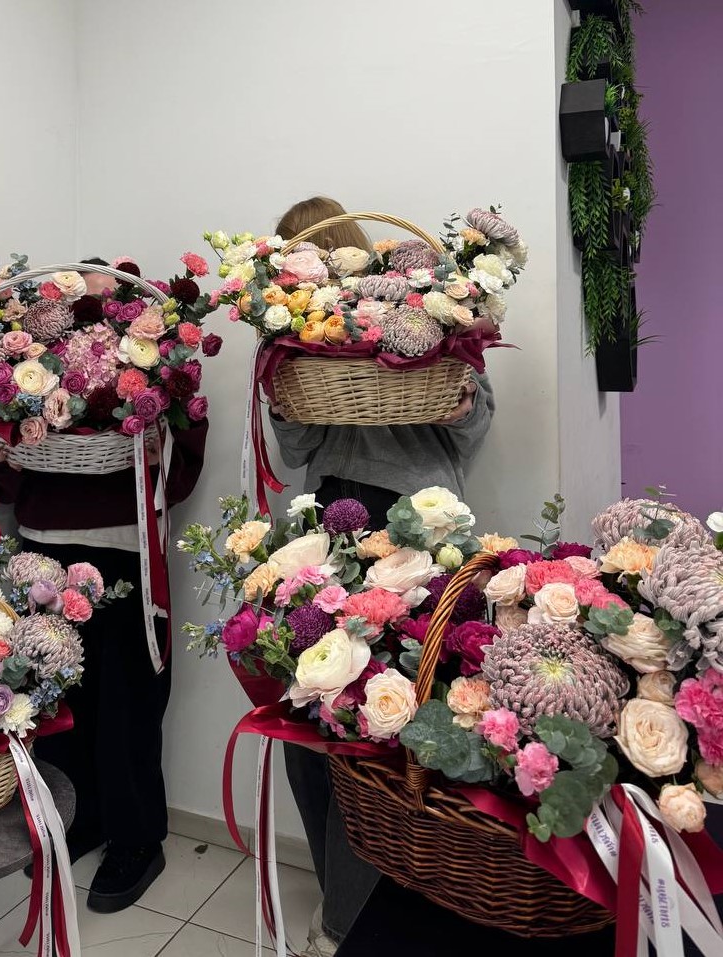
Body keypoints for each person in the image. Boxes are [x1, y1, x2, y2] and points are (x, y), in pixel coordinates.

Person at [269, 197, 495, 956]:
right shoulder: (307, 326)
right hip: (332, 521)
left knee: (376, 723)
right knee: (314, 711)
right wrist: (285, 385)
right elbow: (296, 446)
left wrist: (453, 390)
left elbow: (474, 419)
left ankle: (352, 915)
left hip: (415, 524)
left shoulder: (422, 308)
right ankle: (342, 903)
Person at [0, 259, 208, 913]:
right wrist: (1, 450)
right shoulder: (29, 363)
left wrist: (154, 443)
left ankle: (137, 838)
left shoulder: (160, 367)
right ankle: (77, 817)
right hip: (42, 549)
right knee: (54, 697)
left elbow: (180, 466)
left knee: (129, 700)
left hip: (126, 549)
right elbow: (6, 478)